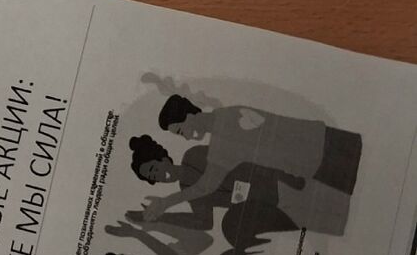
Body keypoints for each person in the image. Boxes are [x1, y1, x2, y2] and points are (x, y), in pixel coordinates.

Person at [149, 94, 361, 235]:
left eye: (181, 131)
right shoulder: (228, 114)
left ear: (188, 115)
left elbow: (205, 186)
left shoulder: (221, 143)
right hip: (322, 142)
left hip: (319, 158)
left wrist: (166, 202)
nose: (186, 137)